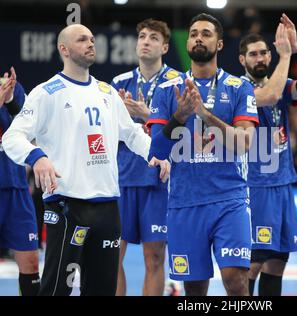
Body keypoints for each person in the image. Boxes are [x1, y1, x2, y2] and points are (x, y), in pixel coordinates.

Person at [1, 24, 169, 296]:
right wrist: (38, 157)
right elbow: (12, 138)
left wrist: (156, 154)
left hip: (108, 209)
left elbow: (132, 134)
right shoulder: (47, 92)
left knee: (102, 290)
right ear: (64, 49)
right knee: (56, 291)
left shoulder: (107, 92)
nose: (91, 43)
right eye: (82, 40)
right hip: (67, 206)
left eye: (92, 39)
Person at [147, 13, 259, 296]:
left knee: (235, 279)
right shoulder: (166, 91)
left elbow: (244, 143)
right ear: (187, 44)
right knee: (195, 288)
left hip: (229, 199)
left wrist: (205, 115)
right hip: (184, 202)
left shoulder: (239, 88)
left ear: (219, 44)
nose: (198, 37)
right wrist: (180, 116)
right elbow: (157, 150)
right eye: (194, 33)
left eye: (206, 33)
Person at [238, 13, 297, 296]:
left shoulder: (280, 85)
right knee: (253, 263)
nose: (260, 58)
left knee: (277, 262)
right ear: (242, 60)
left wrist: (296, 50)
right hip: (256, 186)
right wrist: (284, 54)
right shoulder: (238, 87)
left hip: (282, 183)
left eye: (264, 52)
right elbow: (271, 96)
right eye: (253, 54)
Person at [111, 18, 179, 296]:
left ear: (164, 46)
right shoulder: (118, 83)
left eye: (153, 37)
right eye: (141, 36)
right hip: (122, 177)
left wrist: (146, 114)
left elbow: (184, 128)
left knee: (154, 258)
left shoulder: (177, 82)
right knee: (112, 256)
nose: (146, 41)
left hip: (159, 179)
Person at [0, 67, 40, 296]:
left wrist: (11, 98)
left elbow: (23, 126)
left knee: (31, 262)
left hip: (16, 189)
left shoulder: (12, 86)